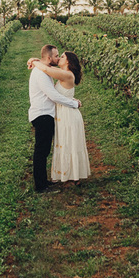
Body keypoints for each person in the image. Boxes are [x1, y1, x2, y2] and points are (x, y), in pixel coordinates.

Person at [28, 50, 90, 184]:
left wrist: (34, 61)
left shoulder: (66, 74)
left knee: (69, 144)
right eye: (57, 56)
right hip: (61, 113)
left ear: (68, 61)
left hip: (68, 114)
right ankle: (67, 174)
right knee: (64, 143)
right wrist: (35, 60)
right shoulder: (62, 72)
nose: (58, 58)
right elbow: (47, 67)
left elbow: (46, 68)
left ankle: (74, 175)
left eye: (61, 57)